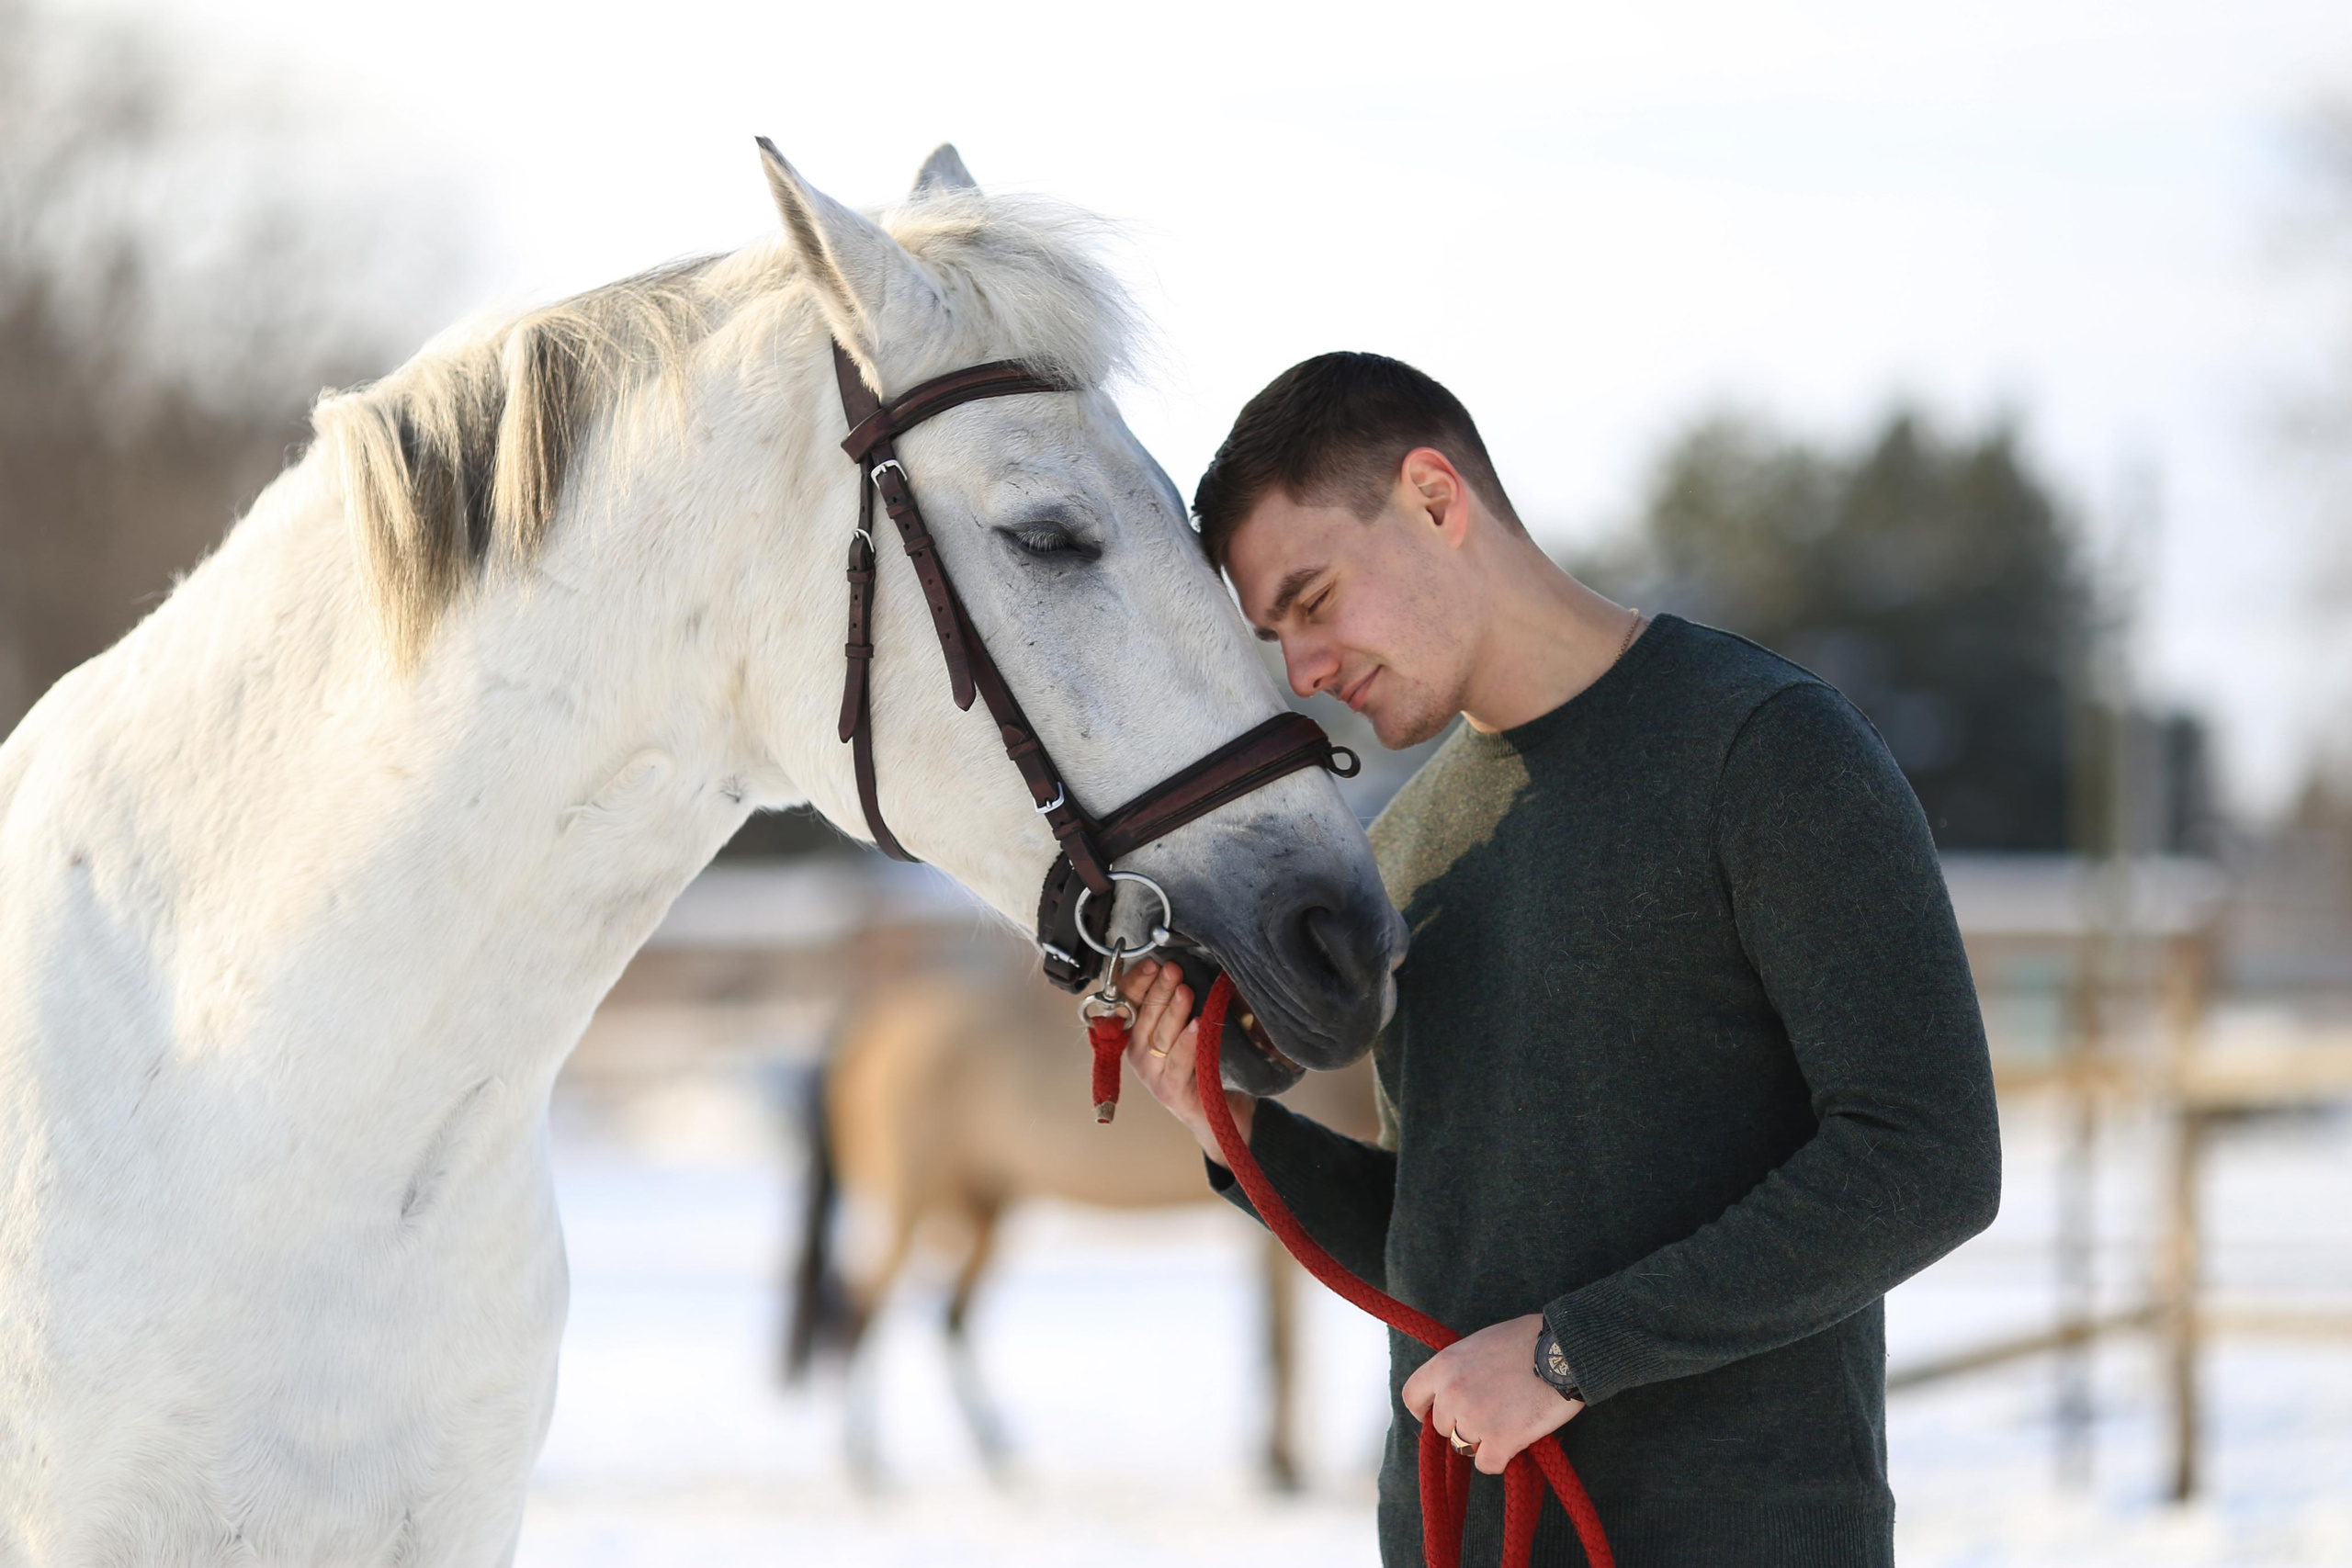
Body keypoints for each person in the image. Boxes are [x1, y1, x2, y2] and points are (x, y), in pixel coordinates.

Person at [1116, 352, 2001, 1567]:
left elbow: (1928, 1158)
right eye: (1276, 638)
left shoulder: (1767, 751)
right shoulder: (1403, 851)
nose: (1303, 672)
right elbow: (1447, 1236)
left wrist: (1568, 1356)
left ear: (1436, 498)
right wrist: (1234, 1132)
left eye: (1312, 600)